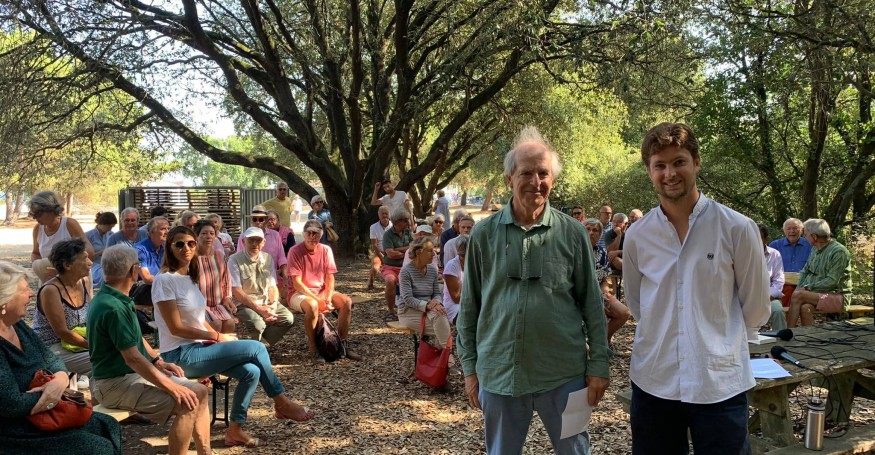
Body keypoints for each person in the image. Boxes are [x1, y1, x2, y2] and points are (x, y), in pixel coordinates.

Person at [457, 126, 609, 455]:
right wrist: (469, 368)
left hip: (564, 373)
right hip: (500, 372)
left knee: (575, 451)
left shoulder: (573, 233)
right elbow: (470, 307)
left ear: (553, 179)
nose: (535, 181)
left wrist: (599, 365)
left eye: (543, 173)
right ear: (509, 179)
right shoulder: (483, 235)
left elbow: (592, 304)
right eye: (526, 172)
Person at [623, 122, 769, 454]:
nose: (669, 173)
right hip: (654, 380)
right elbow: (638, 303)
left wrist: (717, 342)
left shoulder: (737, 228)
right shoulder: (638, 235)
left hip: (719, 383)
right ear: (649, 170)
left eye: (679, 162)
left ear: (697, 163)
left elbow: (757, 308)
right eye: (660, 165)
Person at [153, 226, 315, 447]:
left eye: (190, 243)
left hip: (200, 347)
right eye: (179, 244)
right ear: (169, 247)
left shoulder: (189, 277)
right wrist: (218, 336)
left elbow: (197, 319)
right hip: (179, 355)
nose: (186, 248)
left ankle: (235, 430)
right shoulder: (165, 280)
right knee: (257, 348)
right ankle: (282, 402)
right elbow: (176, 328)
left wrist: (220, 337)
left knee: (251, 372)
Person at [88, 245, 211, 455]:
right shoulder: (113, 307)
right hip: (113, 385)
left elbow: (135, 339)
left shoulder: (115, 298)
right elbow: (133, 359)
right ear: (133, 270)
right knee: (187, 402)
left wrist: (157, 361)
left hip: (128, 377)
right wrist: (172, 387)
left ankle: (204, 451)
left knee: (199, 391)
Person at [0, 261, 121, 455]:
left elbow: (52, 360)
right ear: (3, 301)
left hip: (44, 414)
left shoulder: (17, 325)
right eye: (23, 290)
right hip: (17, 430)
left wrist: (60, 380)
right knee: (98, 448)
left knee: (107, 424)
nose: (32, 293)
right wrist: (52, 395)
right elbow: (11, 404)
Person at [287, 220, 362, 362]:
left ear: (321, 235)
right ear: (303, 234)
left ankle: (343, 344)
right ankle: (314, 349)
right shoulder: (294, 251)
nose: (312, 236)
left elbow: (329, 277)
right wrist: (317, 300)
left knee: (346, 302)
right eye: (309, 233)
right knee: (313, 306)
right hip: (298, 293)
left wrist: (327, 298)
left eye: (315, 233)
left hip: (321, 290)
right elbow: (297, 283)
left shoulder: (326, 250)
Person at [33, 239, 93, 377]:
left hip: (77, 343)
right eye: (84, 258)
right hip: (52, 348)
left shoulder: (84, 281)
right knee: (107, 359)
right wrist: (95, 347)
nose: (90, 262)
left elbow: (91, 316)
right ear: (67, 265)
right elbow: (62, 332)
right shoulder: (51, 290)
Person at [229, 227, 296, 347]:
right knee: (258, 324)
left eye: (258, 240)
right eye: (251, 240)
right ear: (244, 241)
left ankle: (261, 345)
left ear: (264, 242)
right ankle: (257, 347)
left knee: (288, 318)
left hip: (266, 301)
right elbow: (237, 291)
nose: (255, 244)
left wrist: (273, 306)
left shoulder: (267, 258)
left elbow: (272, 285)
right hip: (244, 304)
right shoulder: (234, 260)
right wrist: (260, 309)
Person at [787, 218, 852, 328]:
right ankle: (809, 336)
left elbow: (832, 281)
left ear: (814, 236)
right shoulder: (815, 248)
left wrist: (808, 288)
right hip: (817, 295)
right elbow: (805, 271)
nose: (804, 238)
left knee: (798, 295)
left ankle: (788, 331)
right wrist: (799, 288)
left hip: (838, 296)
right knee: (805, 308)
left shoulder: (839, 252)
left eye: (805, 235)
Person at [398, 237, 451, 351]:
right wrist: (427, 305)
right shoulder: (405, 271)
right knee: (442, 326)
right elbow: (408, 299)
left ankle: (442, 357)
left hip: (429, 309)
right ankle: (447, 357)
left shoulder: (432, 270)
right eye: (430, 250)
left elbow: (436, 293)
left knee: (440, 317)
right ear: (418, 252)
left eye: (434, 250)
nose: (434, 254)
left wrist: (436, 302)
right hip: (408, 311)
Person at [30, 190, 94, 283]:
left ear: (51, 210)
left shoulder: (69, 224)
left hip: (75, 280)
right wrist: (39, 268)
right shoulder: (38, 229)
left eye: (38, 214)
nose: (35, 218)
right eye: (33, 214)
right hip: (50, 280)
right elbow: (35, 253)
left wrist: (61, 271)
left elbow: (89, 252)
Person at [584, 218, 630, 344]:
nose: (591, 232)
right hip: (580, 296)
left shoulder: (602, 251)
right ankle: (593, 346)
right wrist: (596, 299)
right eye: (588, 229)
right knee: (600, 316)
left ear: (600, 234)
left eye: (595, 230)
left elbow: (604, 279)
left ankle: (604, 341)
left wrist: (604, 293)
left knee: (623, 313)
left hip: (600, 294)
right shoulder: (574, 251)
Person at [194, 220, 236, 334]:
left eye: (212, 233)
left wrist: (227, 298)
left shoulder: (219, 255)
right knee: (215, 324)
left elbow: (226, 279)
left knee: (230, 323)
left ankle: (225, 345)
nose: (208, 237)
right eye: (204, 233)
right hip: (198, 304)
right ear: (196, 236)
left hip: (218, 303)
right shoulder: (191, 257)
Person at [236, 205, 288, 280]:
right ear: (251, 221)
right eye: (254, 219)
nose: (257, 222)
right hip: (250, 278)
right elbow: (239, 258)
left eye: (261, 219)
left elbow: (281, 257)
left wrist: (285, 276)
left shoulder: (275, 235)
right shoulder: (243, 237)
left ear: (266, 220)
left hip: (271, 277)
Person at [381, 207, 414, 322]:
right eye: (404, 220)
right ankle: (391, 311)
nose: (406, 222)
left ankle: (411, 309)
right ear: (397, 221)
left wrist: (398, 249)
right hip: (390, 267)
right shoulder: (388, 235)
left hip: (407, 266)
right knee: (390, 281)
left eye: (406, 220)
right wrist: (407, 251)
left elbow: (413, 249)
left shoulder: (408, 233)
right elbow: (390, 254)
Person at [131, 216, 169, 307]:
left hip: (161, 287)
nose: (167, 232)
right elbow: (147, 278)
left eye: (168, 228)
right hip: (143, 290)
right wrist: (170, 283)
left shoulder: (166, 247)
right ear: (151, 232)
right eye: (162, 229)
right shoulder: (140, 249)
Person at [759, 224, 787, 331]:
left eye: (758, 238)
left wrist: (766, 296)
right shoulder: (740, 253)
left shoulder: (775, 254)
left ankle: (781, 340)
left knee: (777, 311)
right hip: (744, 298)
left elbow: (778, 281)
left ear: (766, 239)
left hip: (768, 297)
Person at [86, 212, 117, 288]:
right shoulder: (88, 236)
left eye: (112, 227)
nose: (110, 229)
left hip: (108, 263)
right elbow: (86, 258)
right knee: (104, 275)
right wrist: (101, 252)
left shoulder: (111, 235)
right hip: (94, 264)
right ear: (101, 224)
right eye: (108, 227)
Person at [442, 234, 468, 324]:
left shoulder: (476, 263)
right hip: (455, 305)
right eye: (463, 255)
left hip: (470, 301)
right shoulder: (452, 265)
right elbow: (456, 298)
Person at [368, 206, 392, 290]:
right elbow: (374, 245)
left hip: (391, 253)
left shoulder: (394, 226)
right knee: (375, 268)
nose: (384, 215)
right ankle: (370, 281)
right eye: (382, 214)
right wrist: (381, 256)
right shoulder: (373, 227)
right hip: (378, 252)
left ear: (389, 215)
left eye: (386, 213)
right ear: (379, 215)